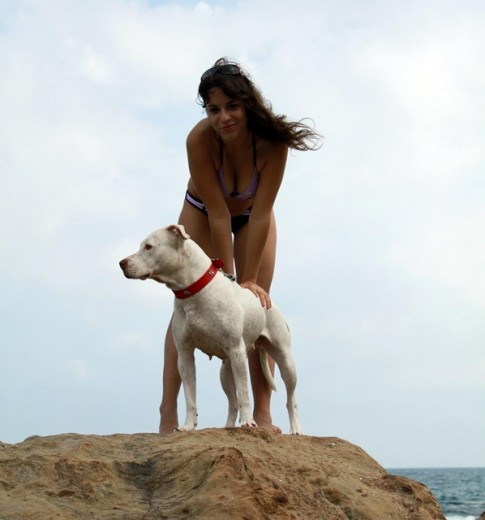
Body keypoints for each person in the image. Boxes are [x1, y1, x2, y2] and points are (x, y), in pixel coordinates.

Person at [159, 58, 320, 434]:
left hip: (253, 215)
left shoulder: (272, 145)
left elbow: (262, 212)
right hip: (203, 210)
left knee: (256, 307)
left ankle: (262, 413)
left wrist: (246, 282)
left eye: (232, 107)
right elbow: (217, 212)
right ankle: (169, 411)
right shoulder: (199, 140)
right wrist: (228, 279)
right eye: (214, 109)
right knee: (186, 305)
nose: (224, 118)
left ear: (247, 104)